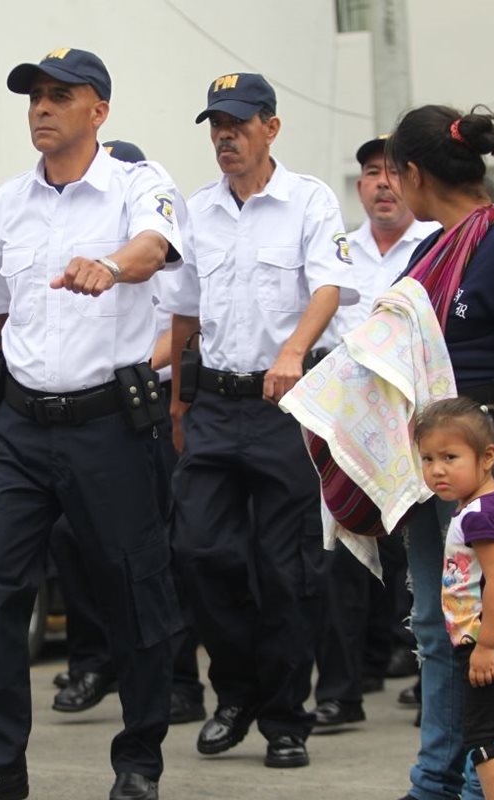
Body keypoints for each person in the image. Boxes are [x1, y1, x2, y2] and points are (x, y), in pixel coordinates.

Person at [0, 47, 185, 800]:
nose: (42, 107)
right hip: (21, 425)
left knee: (133, 591)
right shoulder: (8, 202)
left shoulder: (138, 183)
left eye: (60, 96)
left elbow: (153, 246)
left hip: (110, 424)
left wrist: (110, 263)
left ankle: (138, 760)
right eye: (35, 96)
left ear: (97, 111)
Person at [164, 72, 356, 771]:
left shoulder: (308, 200)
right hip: (213, 406)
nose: (225, 137)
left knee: (286, 570)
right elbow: (183, 310)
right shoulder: (197, 210)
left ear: (270, 128)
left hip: (284, 409)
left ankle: (283, 718)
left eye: (239, 124)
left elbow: (329, 285)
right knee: (198, 552)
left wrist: (294, 350)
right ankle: (235, 694)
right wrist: (179, 401)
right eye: (217, 124)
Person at [385, 105, 494, 800]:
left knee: (486, 625)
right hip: (436, 468)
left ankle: (468, 784)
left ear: (417, 174)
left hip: (490, 469)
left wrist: (491, 484)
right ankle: (437, 779)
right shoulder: (431, 252)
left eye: (396, 172)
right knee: (434, 624)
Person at [47, 137, 206, 726]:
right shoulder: (84, 239)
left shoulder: (159, 239)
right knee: (74, 539)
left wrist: (150, 374)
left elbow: (184, 327)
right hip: (97, 411)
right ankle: (94, 659)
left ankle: (180, 678)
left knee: (155, 552)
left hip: (153, 405)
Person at [312, 135, 438, 730]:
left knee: (423, 550)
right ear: (358, 185)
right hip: (347, 422)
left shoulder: (434, 247)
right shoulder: (337, 252)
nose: (382, 183)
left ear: (412, 181)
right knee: (340, 550)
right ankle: (340, 691)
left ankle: (429, 678)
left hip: (417, 417)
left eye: (393, 172)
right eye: (369, 173)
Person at [415, 398, 494, 800]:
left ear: (487, 456)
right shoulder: (492, 501)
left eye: (450, 457)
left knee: (485, 741)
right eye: (428, 458)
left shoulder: (480, 514)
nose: (437, 469)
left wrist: (487, 646)